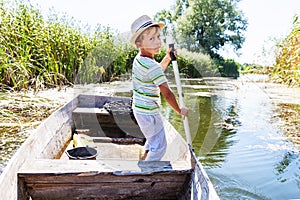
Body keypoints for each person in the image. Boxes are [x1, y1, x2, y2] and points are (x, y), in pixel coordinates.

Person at [130, 15, 188, 161]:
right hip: (149, 113)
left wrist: (168, 58)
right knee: (160, 147)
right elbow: (167, 94)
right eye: (151, 39)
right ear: (139, 44)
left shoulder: (140, 59)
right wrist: (179, 110)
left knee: (152, 139)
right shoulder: (152, 65)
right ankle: (147, 171)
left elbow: (156, 72)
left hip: (140, 110)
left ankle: (145, 155)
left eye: (158, 37)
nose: (157, 42)